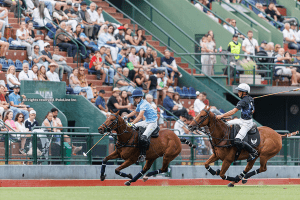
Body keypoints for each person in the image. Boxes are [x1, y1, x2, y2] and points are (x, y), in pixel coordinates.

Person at [216, 83, 258, 162]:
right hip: (241, 120)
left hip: (246, 124)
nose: (238, 92)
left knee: (238, 140)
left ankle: (253, 151)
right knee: (226, 124)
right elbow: (253, 111)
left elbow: (233, 111)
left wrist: (221, 116)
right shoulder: (250, 99)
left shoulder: (243, 101)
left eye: (240, 91)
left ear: (244, 92)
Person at [124, 89, 158, 162]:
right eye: (135, 98)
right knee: (132, 128)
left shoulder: (144, 104)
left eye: (137, 97)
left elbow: (139, 117)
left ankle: (143, 155)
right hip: (147, 121)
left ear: (141, 97)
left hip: (152, 123)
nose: (136, 99)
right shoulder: (140, 103)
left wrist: (132, 123)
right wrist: (126, 116)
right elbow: (135, 112)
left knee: (143, 137)